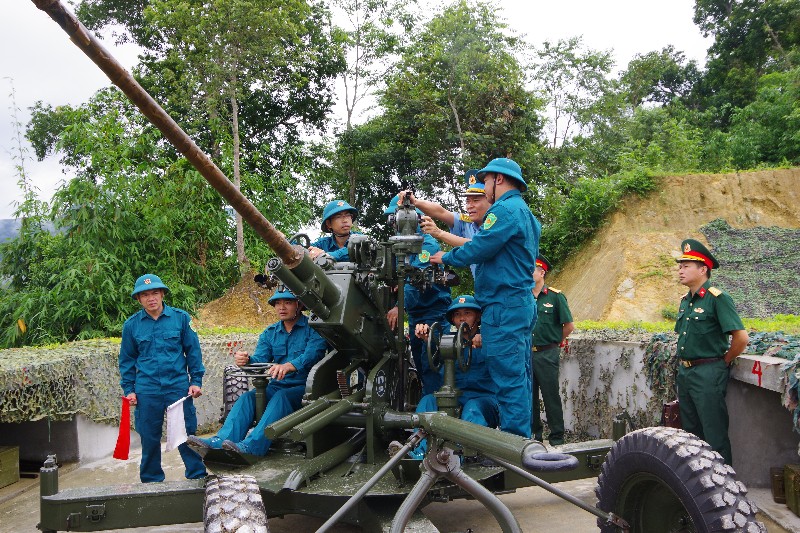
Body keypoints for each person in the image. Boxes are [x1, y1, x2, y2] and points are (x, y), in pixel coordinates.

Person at [430, 157, 540, 438]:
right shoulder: (526, 213)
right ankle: (522, 440)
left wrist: (445, 256)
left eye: (486, 181)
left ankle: (514, 445)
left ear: (498, 180)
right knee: (520, 376)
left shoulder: (503, 210)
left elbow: (479, 247)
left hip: (503, 305)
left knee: (508, 378)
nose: (484, 186)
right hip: (518, 303)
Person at [187, 287, 328, 456]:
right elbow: (260, 360)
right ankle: (219, 441)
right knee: (248, 398)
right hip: (278, 386)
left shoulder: (314, 329)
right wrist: (247, 360)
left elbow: (313, 353)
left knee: (280, 398)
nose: (281, 307)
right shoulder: (270, 333)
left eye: (288, 302)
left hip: (305, 389)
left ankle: (252, 447)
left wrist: (288, 366)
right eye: (277, 303)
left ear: (299, 305)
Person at [119, 274, 207, 483]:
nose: (151, 298)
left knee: (186, 434)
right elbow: (127, 360)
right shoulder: (131, 326)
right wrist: (129, 389)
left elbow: (193, 352)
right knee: (149, 437)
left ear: (162, 294)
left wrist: (196, 381)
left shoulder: (181, 318)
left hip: (178, 387)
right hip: (147, 389)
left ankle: (197, 476)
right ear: (139, 299)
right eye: (145, 295)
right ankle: (151, 481)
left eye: (155, 293)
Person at [674, 238, 748, 466]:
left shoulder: (718, 298)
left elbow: (741, 338)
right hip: (686, 372)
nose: (680, 270)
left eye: (686, 265)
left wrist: (723, 362)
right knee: (691, 435)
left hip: (708, 373)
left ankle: (723, 491)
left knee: (714, 435)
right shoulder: (686, 301)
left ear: (703, 269)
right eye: (680, 265)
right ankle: (698, 485)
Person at [410, 294, 499, 457]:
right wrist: (426, 338)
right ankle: (421, 451)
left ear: (478, 316)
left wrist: (486, 341)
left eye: (467, 313)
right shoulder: (446, 342)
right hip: (454, 399)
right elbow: (431, 363)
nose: (462, 318)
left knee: (472, 410)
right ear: (452, 319)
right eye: (457, 314)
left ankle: (461, 454)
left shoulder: (490, 340)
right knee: (427, 401)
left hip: (484, 400)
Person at [384, 194, 452, 395]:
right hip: (416, 316)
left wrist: (399, 306)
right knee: (423, 369)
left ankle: (434, 414)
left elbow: (416, 281)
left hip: (434, 314)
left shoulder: (427, 246)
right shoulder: (396, 247)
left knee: (431, 364)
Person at [399, 170, 491, 278]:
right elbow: (441, 212)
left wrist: (439, 233)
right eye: (467, 201)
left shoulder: (498, 224)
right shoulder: (468, 224)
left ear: (490, 199)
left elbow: (478, 245)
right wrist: (415, 202)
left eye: (475, 200)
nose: (469, 206)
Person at [531, 255, 574, 445]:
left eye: (532, 269)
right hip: (526, 354)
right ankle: (533, 436)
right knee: (528, 397)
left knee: (551, 396)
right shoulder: (522, 296)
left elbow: (568, 326)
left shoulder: (555, 297)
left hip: (547, 353)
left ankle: (557, 437)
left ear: (542, 272)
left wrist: (556, 343)